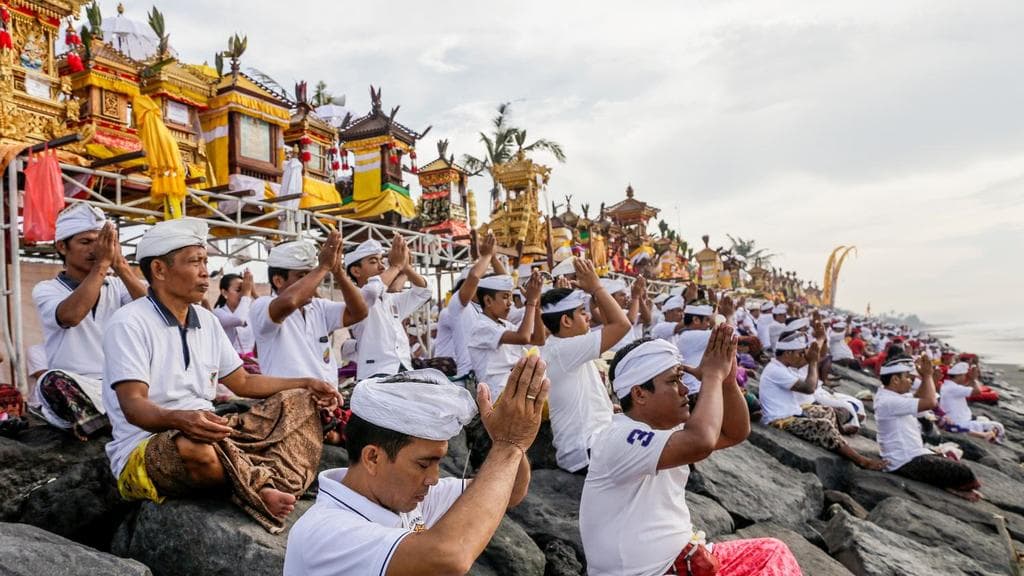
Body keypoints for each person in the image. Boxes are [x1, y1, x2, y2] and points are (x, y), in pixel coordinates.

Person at [102, 218, 342, 533]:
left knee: (298, 402)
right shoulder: (129, 322)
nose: (205, 271)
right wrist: (180, 420)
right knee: (196, 450)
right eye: (194, 262)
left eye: (205, 261)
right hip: (150, 445)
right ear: (159, 270)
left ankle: (252, 478)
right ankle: (259, 486)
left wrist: (307, 383)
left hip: (212, 431)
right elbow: (133, 407)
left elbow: (243, 382)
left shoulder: (206, 319)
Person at [284, 357, 549, 575]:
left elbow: (510, 489)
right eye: (424, 464)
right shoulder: (324, 532)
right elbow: (449, 556)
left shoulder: (407, 498)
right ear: (372, 458)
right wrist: (507, 446)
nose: (434, 478)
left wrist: (509, 445)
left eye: (438, 462)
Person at [580, 327, 801, 575]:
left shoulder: (665, 430)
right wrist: (712, 378)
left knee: (771, 551)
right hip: (650, 572)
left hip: (682, 560)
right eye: (674, 381)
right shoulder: (618, 437)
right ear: (640, 394)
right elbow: (701, 441)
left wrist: (727, 381)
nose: (685, 390)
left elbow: (734, 432)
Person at [32, 203, 147, 439]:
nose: (95, 249)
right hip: (78, 387)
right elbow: (70, 316)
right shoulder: (46, 289)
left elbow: (154, 310)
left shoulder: (117, 285)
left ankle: (104, 423)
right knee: (50, 381)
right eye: (85, 242)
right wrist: (103, 264)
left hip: (119, 386)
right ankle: (113, 424)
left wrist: (121, 265)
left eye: (100, 242)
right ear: (62, 247)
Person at [539, 258, 632, 474]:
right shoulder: (564, 350)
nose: (589, 315)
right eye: (582, 312)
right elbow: (621, 325)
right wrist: (596, 287)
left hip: (593, 444)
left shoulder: (563, 344)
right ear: (566, 321)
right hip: (586, 450)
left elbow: (611, 323)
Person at [250, 234, 370, 384]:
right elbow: (290, 302)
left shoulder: (318, 307)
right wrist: (323, 267)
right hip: (289, 401)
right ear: (278, 281)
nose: (313, 282)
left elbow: (359, 312)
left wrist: (338, 271)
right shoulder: (262, 305)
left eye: (311, 275)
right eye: (302, 276)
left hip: (327, 400)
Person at [758, 332, 885, 469]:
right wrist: (813, 362)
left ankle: (837, 438)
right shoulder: (776, 370)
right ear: (788, 353)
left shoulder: (782, 367)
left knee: (828, 411)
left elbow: (813, 362)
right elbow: (809, 388)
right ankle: (860, 460)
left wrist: (814, 353)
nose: (802, 357)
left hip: (792, 412)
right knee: (823, 426)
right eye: (800, 353)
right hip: (779, 420)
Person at [875, 355, 982, 501]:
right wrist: (928, 376)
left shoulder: (889, 395)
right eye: (909, 378)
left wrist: (930, 379)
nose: (911, 382)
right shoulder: (889, 401)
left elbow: (918, 397)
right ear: (895, 380)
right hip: (905, 460)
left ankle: (949, 485)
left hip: (908, 455)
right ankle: (951, 487)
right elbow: (930, 402)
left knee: (952, 455)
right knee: (964, 472)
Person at [347, 234, 433, 380]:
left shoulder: (391, 300)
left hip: (403, 370)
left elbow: (424, 292)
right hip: (375, 374)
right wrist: (396, 266)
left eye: (382, 261)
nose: (382, 266)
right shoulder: (355, 298)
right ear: (356, 271)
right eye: (374, 262)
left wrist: (406, 268)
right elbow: (373, 291)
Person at [434, 232, 501, 384]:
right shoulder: (457, 308)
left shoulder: (486, 310)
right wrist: (486, 256)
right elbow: (474, 277)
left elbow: (506, 284)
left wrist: (494, 258)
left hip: (485, 379)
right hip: (463, 379)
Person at [468, 272, 544, 398]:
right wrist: (530, 302)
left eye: (510, 298)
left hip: (513, 390)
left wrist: (536, 305)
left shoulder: (504, 324)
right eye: (505, 297)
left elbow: (539, 340)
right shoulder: (481, 326)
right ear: (488, 300)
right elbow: (523, 338)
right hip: (498, 395)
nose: (510, 303)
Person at [939, 362, 1006, 443]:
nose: (965, 378)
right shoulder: (953, 388)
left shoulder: (948, 386)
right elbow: (977, 392)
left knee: (984, 420)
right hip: (960, 423)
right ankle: (991, 439)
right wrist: (973, 378)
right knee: (998, 426)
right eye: (964, 375)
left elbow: (967, 387)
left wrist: (971, 379)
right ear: (959, 376)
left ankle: (989, 435)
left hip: (960, 420)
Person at [212, 269, 257, 361]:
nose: (242, 294)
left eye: (244, 290)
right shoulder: (218, 313)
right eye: (238, 290)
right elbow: (239, 319)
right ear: (224, 293)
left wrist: (254, 293)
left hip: (251, 362)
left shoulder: (250, 311)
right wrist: (247, 293)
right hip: (229, 366)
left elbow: (266, 311)